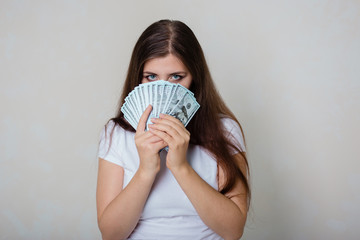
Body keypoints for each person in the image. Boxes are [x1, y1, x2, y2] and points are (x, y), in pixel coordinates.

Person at [96, 19, 250, 240]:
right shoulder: (116, 134)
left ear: (195, 78)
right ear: (138, 78)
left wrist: (180, 167)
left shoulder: (225, 130)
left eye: (176, 77)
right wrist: (146, 170)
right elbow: (111, 234)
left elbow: (233, 230)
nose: (163, 88)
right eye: (151, 77)